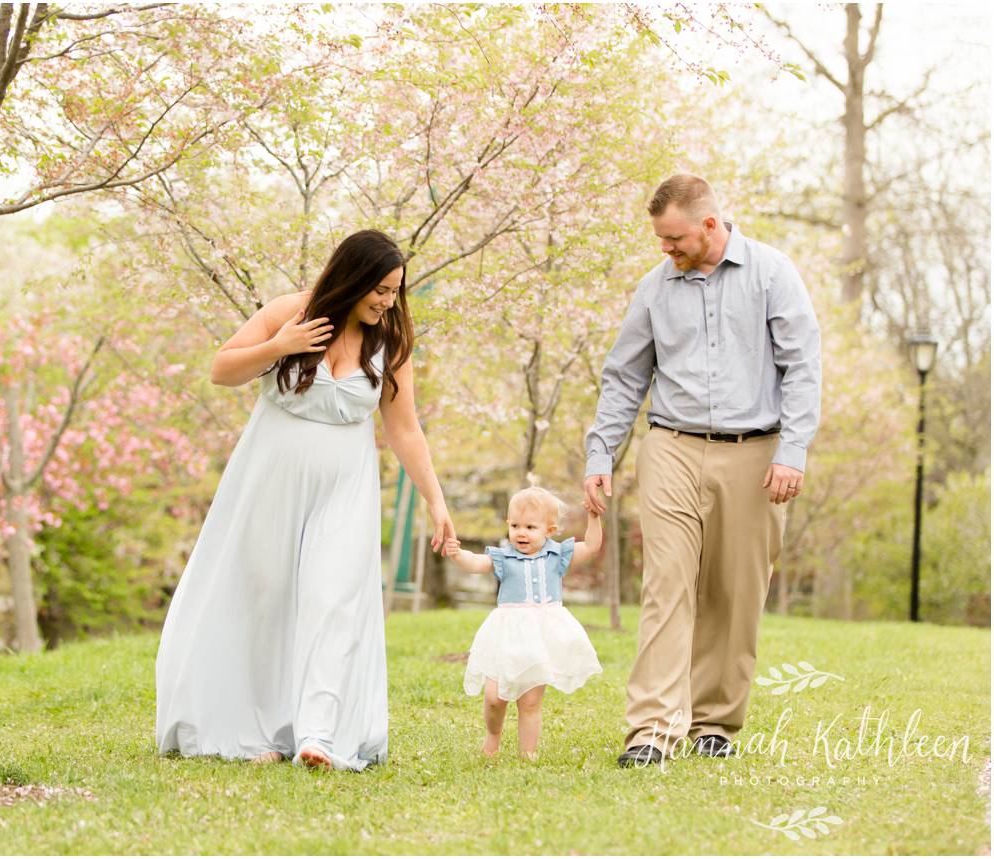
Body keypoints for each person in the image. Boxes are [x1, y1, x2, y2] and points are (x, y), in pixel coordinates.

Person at [155, 229, 457, 771]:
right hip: (270, 479)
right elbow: (221, 370)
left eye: (395, 292)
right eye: (379, 290)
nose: (387, 301)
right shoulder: (290, 312)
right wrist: (279, 348)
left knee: (334, 597)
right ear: (354, 276)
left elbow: (405, 429)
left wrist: (436, 500)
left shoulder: (389, 340)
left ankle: (319, 735)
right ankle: (266, 730)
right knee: (267, 597)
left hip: (345, 488)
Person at [583, 174, 821, 767]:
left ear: (711, 224)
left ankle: (714, 722)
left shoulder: (772, 273)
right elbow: (624, 377)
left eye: (674, 238)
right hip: (672, 446)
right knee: (666, 584)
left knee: (735, 590)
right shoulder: (654, 288)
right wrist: (599, 454)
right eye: (660, 240)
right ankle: (652, 732)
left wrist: (793, 451)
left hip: (756, 452)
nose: (666, 249)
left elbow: (803, 367)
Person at [443, 487, 604, 758]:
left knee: (530, 701)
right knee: (495, 698)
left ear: (549, 530)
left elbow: (591, 546)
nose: (521, 532)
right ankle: (493, 734)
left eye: (530, 527)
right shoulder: (504, 557)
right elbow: (475, 562)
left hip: (540, 638)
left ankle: (527, 754)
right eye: (515, 525)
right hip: (507, 635)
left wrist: (594, 517)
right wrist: (457, 554)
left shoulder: (557, 556)